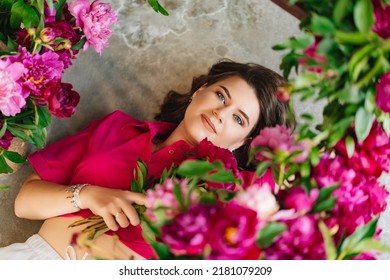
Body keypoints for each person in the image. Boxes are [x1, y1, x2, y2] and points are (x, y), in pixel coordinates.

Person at [0, 59, 293, 260]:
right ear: (200, 91)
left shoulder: (231, 191)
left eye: (239, 119)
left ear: (244, 143)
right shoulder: (117, 128)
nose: (221, 112)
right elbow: (24, 202)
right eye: (221, 96)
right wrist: (88, 195)